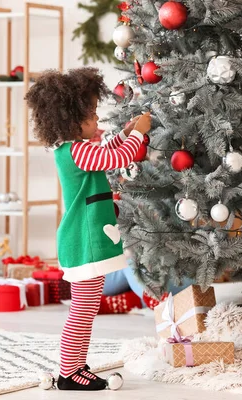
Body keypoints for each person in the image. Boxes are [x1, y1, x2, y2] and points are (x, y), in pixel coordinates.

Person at [25, 67, 151, 391]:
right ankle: (70, 372)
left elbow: (107, 150)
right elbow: (118, 158)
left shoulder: (72, 150)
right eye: (92, 116)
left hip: (85, 237)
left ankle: (74, 366)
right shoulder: (76, 151)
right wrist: (139, 135)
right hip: (84, 239)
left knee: (87, 306)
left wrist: (125, 132)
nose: (97, 122)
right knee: (83, 310)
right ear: (72, 120)